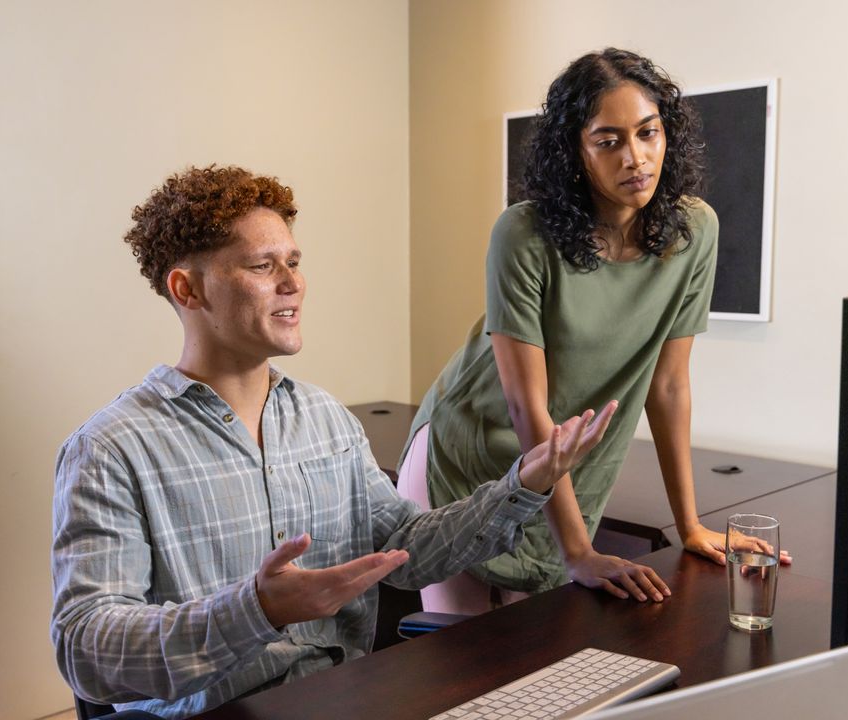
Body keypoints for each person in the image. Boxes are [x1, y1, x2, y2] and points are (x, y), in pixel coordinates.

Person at [50, 165, 617, 719]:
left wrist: (525, 484)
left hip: (341, 699)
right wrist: (256, 610)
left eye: (294, 262)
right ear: (187, 289)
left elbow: (405, 548)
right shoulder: (110, 449)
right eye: (261, 265)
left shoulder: (326, 419)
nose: (292, 283)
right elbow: (87, 649)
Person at [399, 48, 790, 615]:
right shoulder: (523, 234)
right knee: (464, 669)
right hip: (469, 460)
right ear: (575, 153)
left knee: (538, 673)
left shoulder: (694, 231)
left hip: (570, 472)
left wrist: (691, 525)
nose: (635, 157)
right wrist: (580, 552)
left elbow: (669, 386)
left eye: (648, 133)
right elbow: (523, 403)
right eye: (608, 141)